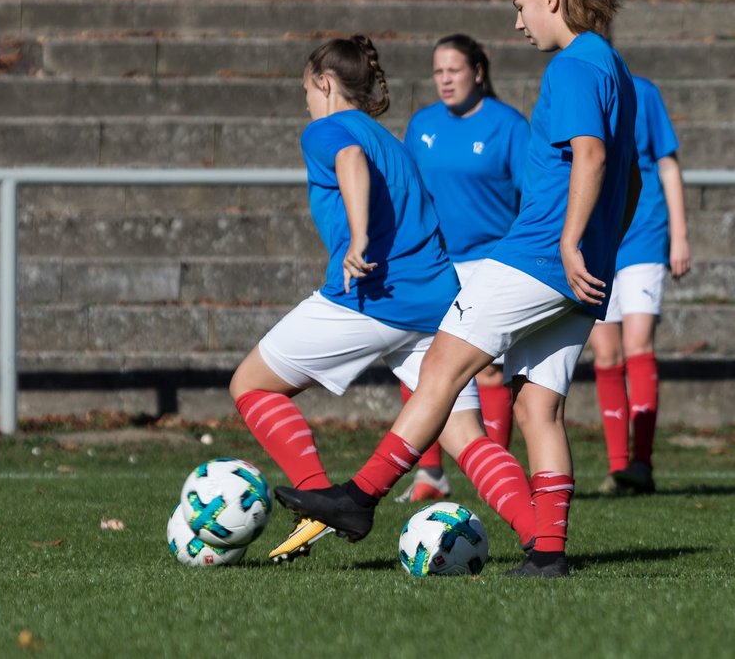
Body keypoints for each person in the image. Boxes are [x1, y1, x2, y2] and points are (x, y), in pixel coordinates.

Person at [275, 0, 640, 578]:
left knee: (440, 366)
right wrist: (599, 250)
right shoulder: (615, 68)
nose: (517, 21)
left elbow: (593, 157)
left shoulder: (574, 67)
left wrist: (566, 241)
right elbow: (629, 179)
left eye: (520, 6)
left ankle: (360, 499)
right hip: (583, 273)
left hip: (537, 259)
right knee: (536, 408)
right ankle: (548, 554)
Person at [228, 35, 536, 563]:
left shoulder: (330, 129)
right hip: (438, 301)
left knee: (251, 385)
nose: (305, 100)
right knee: (466, 436)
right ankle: (542, 538)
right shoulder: (390, 139)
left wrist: (360, 237)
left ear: (324, 83)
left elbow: (347, 160)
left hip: (375, 295)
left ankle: (317, 502)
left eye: (306, 88)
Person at [396, 34, 530, 502]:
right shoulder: (422, 124)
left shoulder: (509, 125)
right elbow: (408, 194)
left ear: (477, 70)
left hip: (491, 262)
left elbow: (532, 197)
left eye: (453, 70)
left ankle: (492, 473)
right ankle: (429, 474)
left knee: (490, 370)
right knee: (424, 367)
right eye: (438, 72)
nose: (445, 80)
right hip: (432, 263)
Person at [592, 75, 690, 495]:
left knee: (638, 345)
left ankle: (642, 463)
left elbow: (666, 164)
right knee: (606, 352)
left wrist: (680, 234)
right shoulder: (576, 85)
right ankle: (618, 468)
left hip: (644, 236)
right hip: (596, 239)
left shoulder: (644, 91)